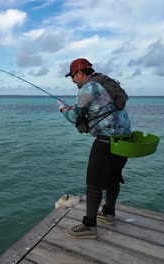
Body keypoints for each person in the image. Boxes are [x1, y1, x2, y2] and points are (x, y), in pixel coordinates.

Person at [58, 58, 131, 239]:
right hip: (125, 140)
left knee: (93, 184)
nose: (73, 80)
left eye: (73, 76)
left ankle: (89, 226)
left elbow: (74, 117)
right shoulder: (106, 83)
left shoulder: (89, 88)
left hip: (106, 140)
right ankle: (108, 214)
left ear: (80, 73)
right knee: (113, 178)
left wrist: (62, 109)